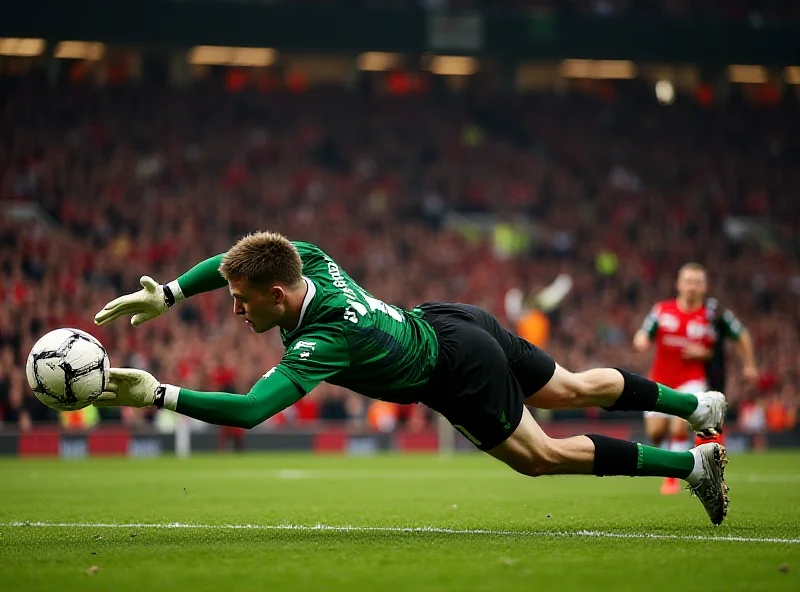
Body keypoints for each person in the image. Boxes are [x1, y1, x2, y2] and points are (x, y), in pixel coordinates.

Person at [93, 232, 729, 525]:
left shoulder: (325, 338)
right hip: (450, 318)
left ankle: (691, 468)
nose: (234, 308)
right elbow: (235, 259)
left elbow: (250, 411)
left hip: (452, 368)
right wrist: (171, 293)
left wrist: (158, 392)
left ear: (280, 294)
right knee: (572, 387)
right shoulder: (304, 256)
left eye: (242, 301)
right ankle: (697, 407)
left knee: (542, 457)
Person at [633, 262, 755, 495]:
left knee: (680, 425)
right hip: (660, 380)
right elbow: (644, 332)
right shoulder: (662, 310)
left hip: (692, 379)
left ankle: (671, 479)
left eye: (697, 282)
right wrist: (640, 339)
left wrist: (748, 365)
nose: (692, 286)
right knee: (656, 433)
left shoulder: (713, 315)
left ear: (705, 286)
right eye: (688, 281)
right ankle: (672, 454)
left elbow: (741, 335)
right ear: (678, 284)